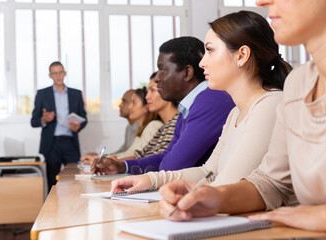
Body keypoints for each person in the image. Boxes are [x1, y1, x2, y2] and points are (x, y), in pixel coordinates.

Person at [159, 1, 326, 236]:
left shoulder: (271, 101)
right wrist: (215, 197)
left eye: (210, 50)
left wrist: (323, 216)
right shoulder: (298, 84)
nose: (261, 1)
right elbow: (271, 183)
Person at [111, 11, 292, 193]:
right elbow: (209, 173)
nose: (202, 63)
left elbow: (228, 184)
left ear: (241, 55)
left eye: (210, 51)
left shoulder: (269, 106)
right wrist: (149, 179)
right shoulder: (235, 113)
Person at [92, 36, 235, 175]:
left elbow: (172, 166)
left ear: (187, 72)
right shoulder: (188, 107)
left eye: (162, 69)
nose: (156, 78)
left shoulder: (209, 101)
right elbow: (166, 157)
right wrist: (122, 166)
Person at [31, 61, 87, 191]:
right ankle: (51, 210)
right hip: (52, 145)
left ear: (65, 73)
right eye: (54, 73)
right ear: (50, 75)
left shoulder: (76, 94)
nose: (58, 76)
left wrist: (78, 126)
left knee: (75, 182)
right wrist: (44, 119)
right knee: (52, 184)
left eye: (60, 72)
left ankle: (75, 209)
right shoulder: (42, 94)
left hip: (70, 143)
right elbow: (34, 121)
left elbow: (84, 118)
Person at [80, 89, 139, 164]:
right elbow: (124, 150)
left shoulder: (143, 127)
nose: (119, 105)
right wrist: (101, 156)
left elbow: (132, 154)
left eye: (124, 102)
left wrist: (102, 159)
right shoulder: (129, 127)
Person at [113, 87, 163, 159]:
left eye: (134, 103)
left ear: (146, 107)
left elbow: (140, 157)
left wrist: (115, 161)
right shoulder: (141, 129)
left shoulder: (153, 125)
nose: (130, 107)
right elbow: (129, 153)